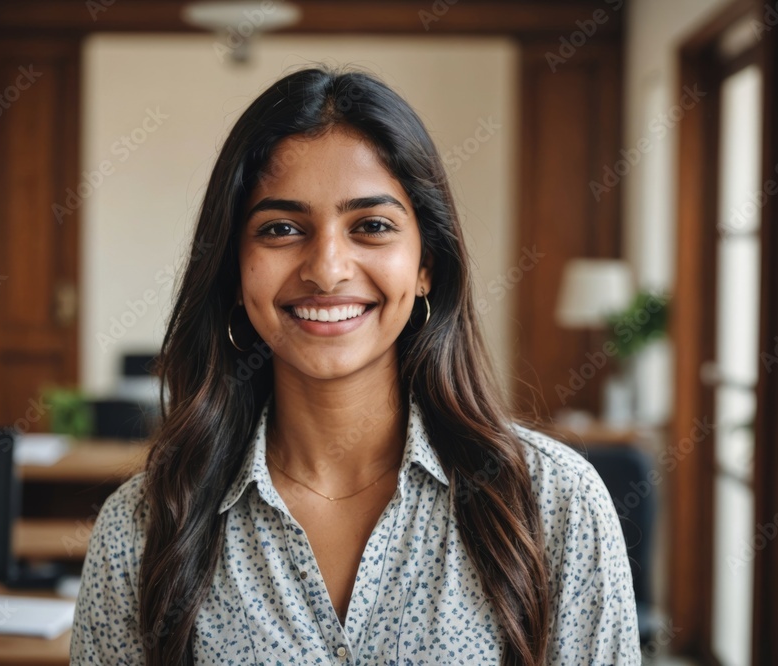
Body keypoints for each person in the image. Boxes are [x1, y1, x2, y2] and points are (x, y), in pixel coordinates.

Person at [70, 65, 640, 666]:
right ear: (235, 272)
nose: (327, 268)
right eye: (282, 228)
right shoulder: (143, 528)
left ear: (426, 265)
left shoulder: (553, 503)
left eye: (371, 226)